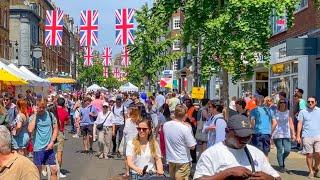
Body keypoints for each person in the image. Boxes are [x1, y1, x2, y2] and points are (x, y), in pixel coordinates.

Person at [194, 115, 280, 180]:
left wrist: (270, 178)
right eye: (240, 136)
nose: (244, 140)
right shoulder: (211, 154)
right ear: (227, 131)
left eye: (248, 136)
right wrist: (227, 173)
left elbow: (277, 177)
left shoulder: (256, 153)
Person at [163, 104, 197, 179]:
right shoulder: (186, 128)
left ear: (174, 113)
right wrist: (190, 129)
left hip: (171, 159)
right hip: (183, 160)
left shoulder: (165, 125)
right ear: (185, 115)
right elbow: (192, 147)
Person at [28, 99, 58, 180]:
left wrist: (52, 142)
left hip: (49, 147)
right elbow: (30, 129)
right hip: (38, 147)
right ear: (36, 107)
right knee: (37, 172)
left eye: (43, 107)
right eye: (39, 107)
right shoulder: (33, 117)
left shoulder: (50, 115)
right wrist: (35, 114)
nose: (41, 109)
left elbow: (55, 129)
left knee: (54, 170)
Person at [297, 96, 320, 178]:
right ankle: (311, 171)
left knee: (318, 153)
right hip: (306, 136)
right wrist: (298, 136)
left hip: (318, 136)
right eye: (309, 101)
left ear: (316, 102)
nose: (310, 103)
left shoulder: (319, 111)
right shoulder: (303, 111)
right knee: (309, 155)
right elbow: (300, 124)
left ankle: (316, 167)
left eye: (312, 101)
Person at [272, 99, 295, 173]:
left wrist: (293, 134)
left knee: (287, 150)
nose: (282, 104)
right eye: (281, 102)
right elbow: (273, 123)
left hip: (286, 133)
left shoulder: (288, 112)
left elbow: (291, 123)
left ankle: (281, 159)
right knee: (280, 149)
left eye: (284, 102)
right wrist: (270, 133)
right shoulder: (275, 112)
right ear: (279, 104)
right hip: (277, 133)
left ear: (286, 104)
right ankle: (281, 166)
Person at [123, 106, 141, 176]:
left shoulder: (128, 120)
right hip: (137, 141)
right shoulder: (139, 120)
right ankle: (136, 170)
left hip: (128, 141)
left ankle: (127, 172)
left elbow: (125, 131)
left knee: (127, 157)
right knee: (136, 157)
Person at [55, 97, 70, 178]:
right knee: (59, 152)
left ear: (57, 103)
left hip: (51, 132)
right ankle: (58, 171)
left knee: (50, 152)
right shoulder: (65, 112)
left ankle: (46, 169)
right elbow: (67, 122)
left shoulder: (51, 111)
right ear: (64, 104)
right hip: (60, 132)